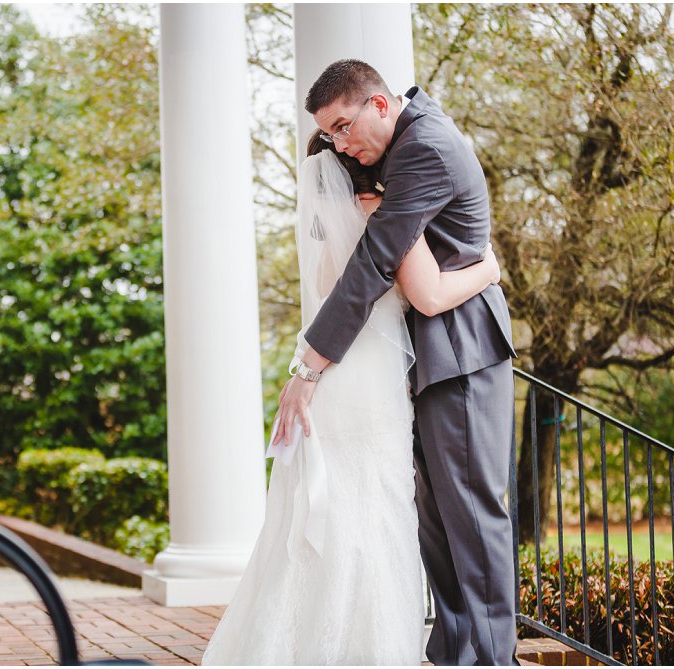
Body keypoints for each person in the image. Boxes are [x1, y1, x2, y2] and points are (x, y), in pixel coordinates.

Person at [201, 132, 501, 665]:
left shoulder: (325, 229)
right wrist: (487, 269)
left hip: (332, 375)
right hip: (373, 381)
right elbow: (427, 296)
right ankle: (368, 646)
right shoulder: (387, 214)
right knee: (376, 508)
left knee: (332, 506)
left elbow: (328, 290)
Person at [274, 60, 518, 665]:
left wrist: (309, 368)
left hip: (462, 352)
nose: (340, 143)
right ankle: (457, 652)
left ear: (380, 105)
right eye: (329, 136)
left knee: (472, 513)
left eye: (342, 125)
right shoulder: (393, 149)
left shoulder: (426, 147)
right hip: (424, 355)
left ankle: (493, 658)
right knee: (436, 517)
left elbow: (377, 261)